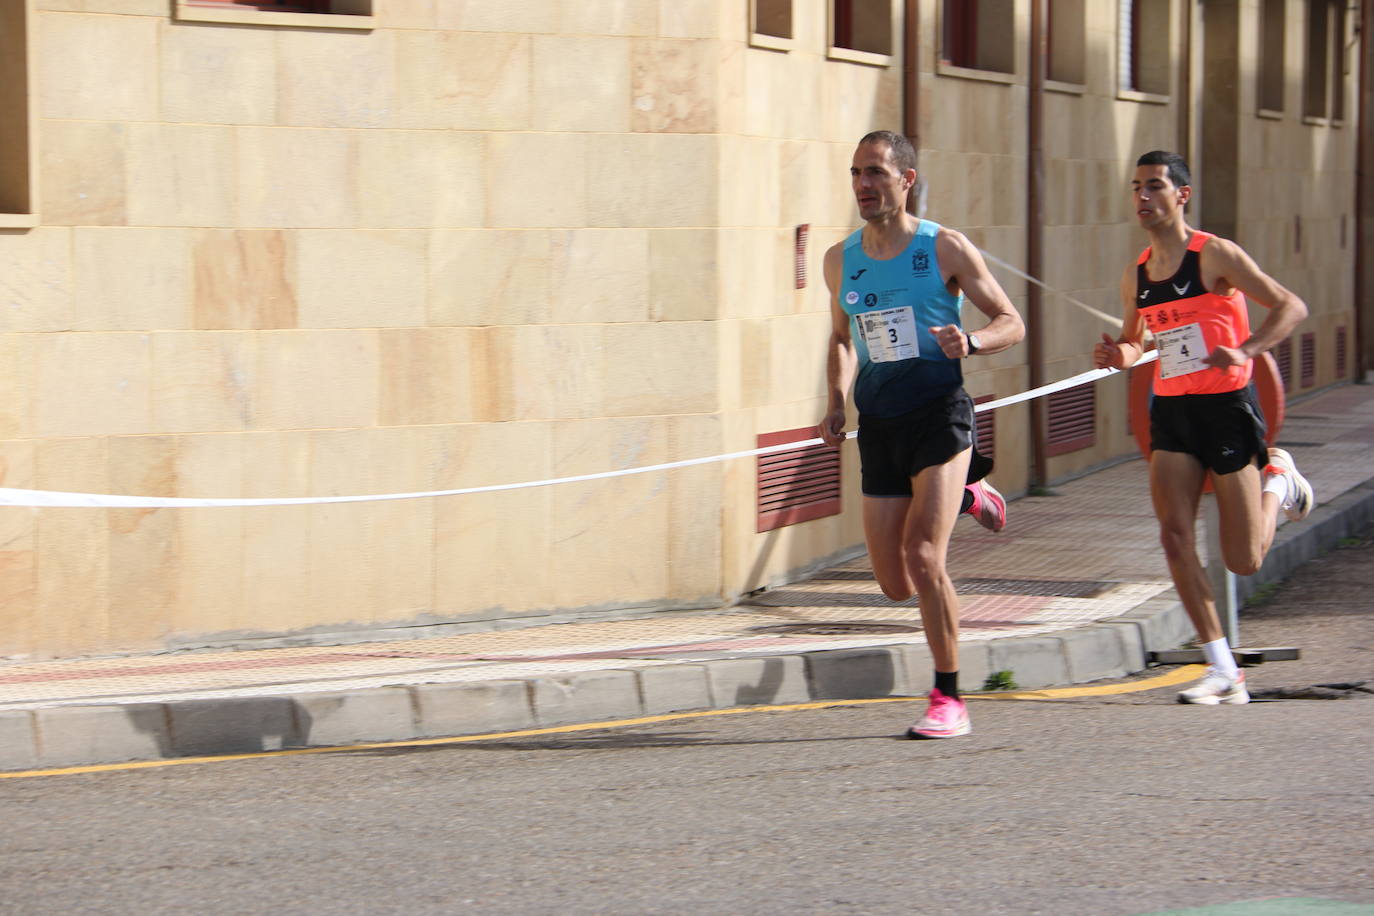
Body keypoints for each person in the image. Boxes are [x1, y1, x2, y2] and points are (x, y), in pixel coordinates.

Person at [819, 130, 1025, 739]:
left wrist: (975, 341)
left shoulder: (944, 249)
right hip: (879, 423)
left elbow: (1010, 320)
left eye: (876, 173)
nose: (863, 184)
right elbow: (839, 336)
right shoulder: (842, 258)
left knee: (924, 556)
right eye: (857, 173)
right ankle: (966, 496)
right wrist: (835, 397)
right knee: (892, 582)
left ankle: (948, 696)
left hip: (939, 413)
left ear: (906, 180)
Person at [1093, 150, 1314, 706]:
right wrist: (1119, 354)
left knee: (1243, 559)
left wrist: (1245, 349)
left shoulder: (1213, 254)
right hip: (1171, 412)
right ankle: (1223, 669)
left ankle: (1279, 480)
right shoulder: (1138, 273)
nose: (1143, 198)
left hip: (1226, 410)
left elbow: (1291, 307)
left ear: (1181, 195)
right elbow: (1135, 340)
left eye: (1155, 187)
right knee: (1173, 537)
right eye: (1136, 188)